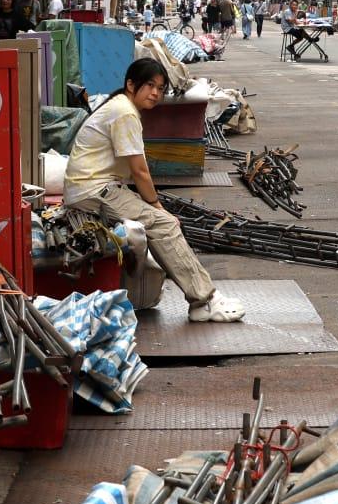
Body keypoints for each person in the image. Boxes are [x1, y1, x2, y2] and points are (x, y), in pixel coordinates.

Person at [64, 58, 246, 322]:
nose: (155, 93)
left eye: (160, 88)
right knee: (165, 224)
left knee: (156, 219)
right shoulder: (124, 112)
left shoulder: (120, 107)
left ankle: (197, 298)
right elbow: (139, 171)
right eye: (150, 85)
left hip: (92, 189)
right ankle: (205, 300)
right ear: (130, 84)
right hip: (93, 191)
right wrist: (157, 206)